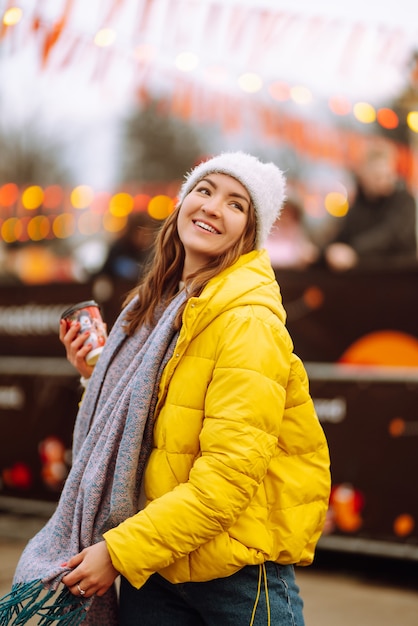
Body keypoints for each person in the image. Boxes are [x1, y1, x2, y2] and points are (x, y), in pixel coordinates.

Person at [0, 152, 330, 626]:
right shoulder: (153, 307)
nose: (214, 207)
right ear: (181, 205)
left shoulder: (247, 322)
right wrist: (97, 376)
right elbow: (149, 427)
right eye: (204, 190)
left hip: (231, 573)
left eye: (236, 204)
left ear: (248, 234)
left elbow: (225, 482)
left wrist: (117, 553)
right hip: (156, 568)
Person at [324, 141, 417, 271]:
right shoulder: (358, 207)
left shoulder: (404, 201)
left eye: (388, 176)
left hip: (400, 277)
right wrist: (324, 252)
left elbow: (391, 235)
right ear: (364, 176)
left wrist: (354, 251)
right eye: (377, 177)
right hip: (367, 279)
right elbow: (341, 238)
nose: (384, 182)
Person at [98, 210, 160, 282]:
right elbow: (133, 273)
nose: (147, 239)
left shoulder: (145, 251)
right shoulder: (119, 249)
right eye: (144, 234)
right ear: (134, 232)